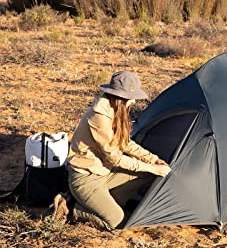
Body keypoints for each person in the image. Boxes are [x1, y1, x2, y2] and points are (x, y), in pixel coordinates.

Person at [52, 71, 170, 230]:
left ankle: (104, 203)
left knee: (147, 173)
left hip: (105, 172)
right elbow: (115, 157)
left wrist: (152, 159)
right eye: (131, 97)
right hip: (85, 178)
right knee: (117, 222)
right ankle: (72, 209)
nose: (134, 101)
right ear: (120, 97)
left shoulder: (115, 110)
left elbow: (126, 144)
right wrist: (152, 167)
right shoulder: (99, 116)